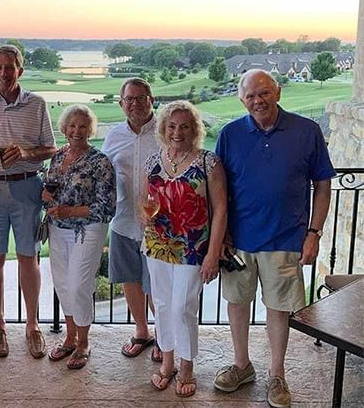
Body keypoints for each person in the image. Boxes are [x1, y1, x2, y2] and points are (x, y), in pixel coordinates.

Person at [213, 69, 334, 408]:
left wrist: (314, 232)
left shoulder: (306, 132)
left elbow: (322, 185)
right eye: (250, 95)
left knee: (279, 309)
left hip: (286, 238)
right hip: (238, 241)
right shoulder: (230, 134)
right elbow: (218, 191)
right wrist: (220, 236)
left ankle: (276, 374)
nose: (258, 101)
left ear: (278, 92)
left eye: (264, 93)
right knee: (237, 304)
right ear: (242, 100)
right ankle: (242, 365)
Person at [0, 44, 57, 359]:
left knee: (28, 257)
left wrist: (26, 153)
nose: (3, 73)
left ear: (20, 70)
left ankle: (33, 326)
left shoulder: (36, 104)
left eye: (10, 67)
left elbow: (50, 148)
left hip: (26, 188)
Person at [143, 100, 227, 397]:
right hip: (157, 245)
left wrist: (213, 253)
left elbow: (220, 211)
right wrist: (147, 214)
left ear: (195, 129)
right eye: (172, 126)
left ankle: (187, 366)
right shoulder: (153, 160)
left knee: (183, 307)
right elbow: (147, 201)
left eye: (184, 126)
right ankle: (167, 362)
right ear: (163, 128)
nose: (177, 132)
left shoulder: (208, 162)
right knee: (163, 306)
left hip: (194, 248)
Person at [43, 105, 116, 370]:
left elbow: (107, 206)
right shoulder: (58, 156)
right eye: (72, 125)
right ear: (64, 128)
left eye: (83, 126)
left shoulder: (100, 161)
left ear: (90, 130)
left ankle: (84, 342)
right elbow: (50, 189)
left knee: (78, 285)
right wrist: (46, 197)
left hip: (88, 229)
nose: (77, 131)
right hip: (57, 228)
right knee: (63, 284)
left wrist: (69, 210)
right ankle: (70, 337)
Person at [102, 78, 161, 360]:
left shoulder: (166, 131)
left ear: (152, 99)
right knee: (130, 279)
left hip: (160, 226)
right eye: (129, 99)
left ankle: (164, 335)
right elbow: (102, 177)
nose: (135, 104)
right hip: (123, 221)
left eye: (141, 98)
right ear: (121, 103)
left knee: (157, 284)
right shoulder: (113, 136)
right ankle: (141, 331)